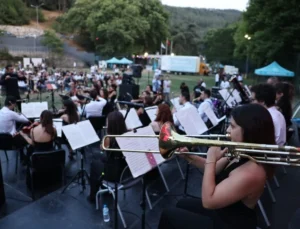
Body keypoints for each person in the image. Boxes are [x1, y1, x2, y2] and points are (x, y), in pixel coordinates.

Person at [158, 104, 275, 229]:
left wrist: (211, 159)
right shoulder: (242, 151)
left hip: (230, 223)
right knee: (181, 203)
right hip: (224, 210)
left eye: (233, 126)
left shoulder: (252, 172)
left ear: (250, 131)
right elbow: (215, 168)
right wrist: (188, 156)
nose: (228, 130)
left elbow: (208, 201)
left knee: (168, 214)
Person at [88, 111, 128, 202]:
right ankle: (103, 187)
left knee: (94, 164)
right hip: (125, 172)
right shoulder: (127, 134)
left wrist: (105, 137)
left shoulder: (109, 138)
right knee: (100, 159)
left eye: (107, 122)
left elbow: (102, 148)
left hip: (114, 175)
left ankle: (93, 195)